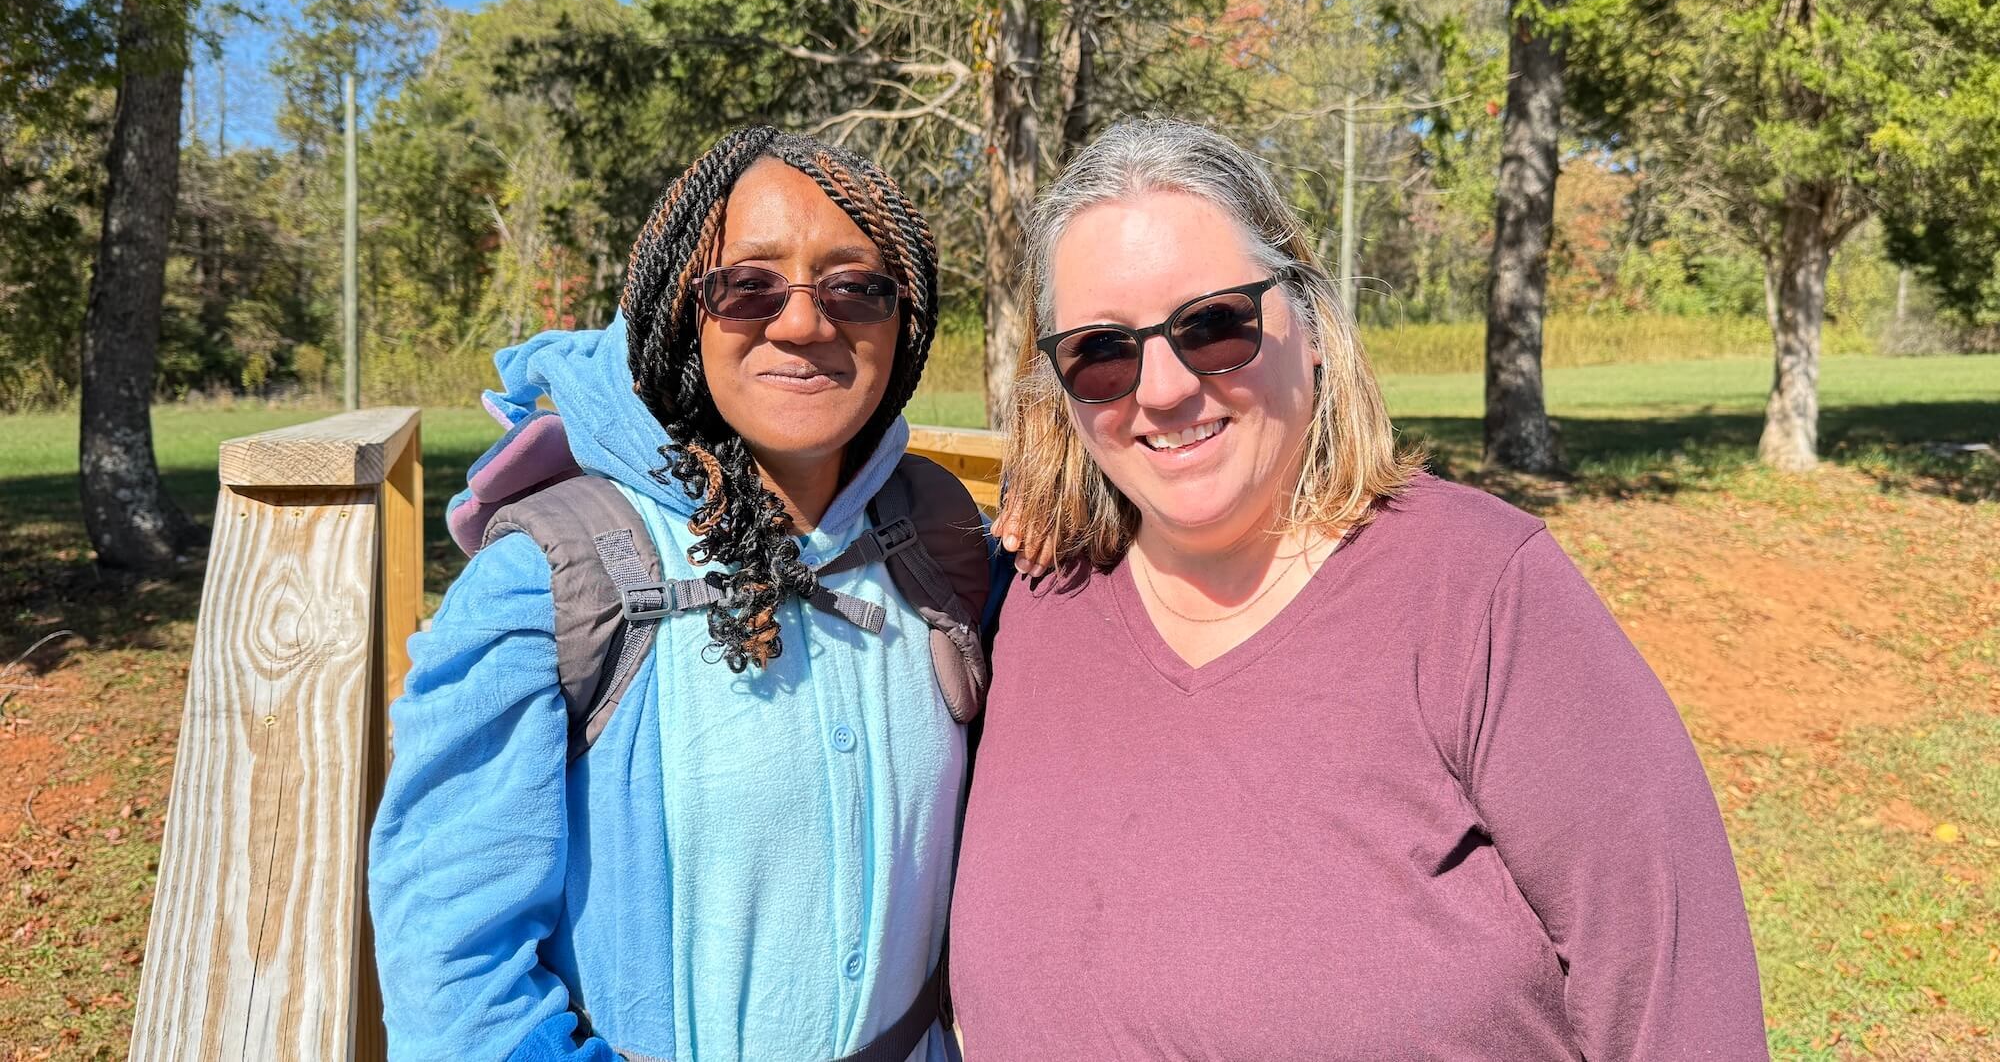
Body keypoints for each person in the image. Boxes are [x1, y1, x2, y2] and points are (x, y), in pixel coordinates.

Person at [951, 118, 1768, 1059]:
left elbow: (1674, 996)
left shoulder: (1480, 593)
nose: (1164, 388)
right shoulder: (1029, 605)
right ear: (1061, 385)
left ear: (1313, 326)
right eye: (1102, 350)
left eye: (1214, 324)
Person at [370, 127, 971, 1062]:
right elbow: (449, 955)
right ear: (680, 310)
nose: (805, 322)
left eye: (855, 286)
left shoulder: (934, 536)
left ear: (909, 320)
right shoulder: (554, 569)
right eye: (748, 285)